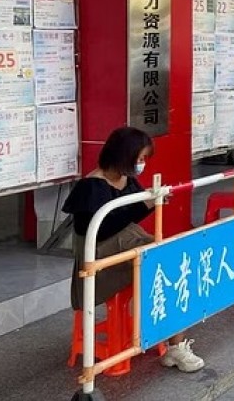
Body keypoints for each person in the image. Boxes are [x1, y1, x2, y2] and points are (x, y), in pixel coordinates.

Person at [63, 127, 205, 373]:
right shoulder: (91, 186)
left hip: (127, 246)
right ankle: (175, 344)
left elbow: (131, 213)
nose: (141, 164)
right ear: (122, 156)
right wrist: (146, 204)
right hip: (101, 259)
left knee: (178, 257)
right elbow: (100, 229)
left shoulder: (127, 179)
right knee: (170, 262)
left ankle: (173, 341)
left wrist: (152, 202)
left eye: (143, 159)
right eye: (139, 159)